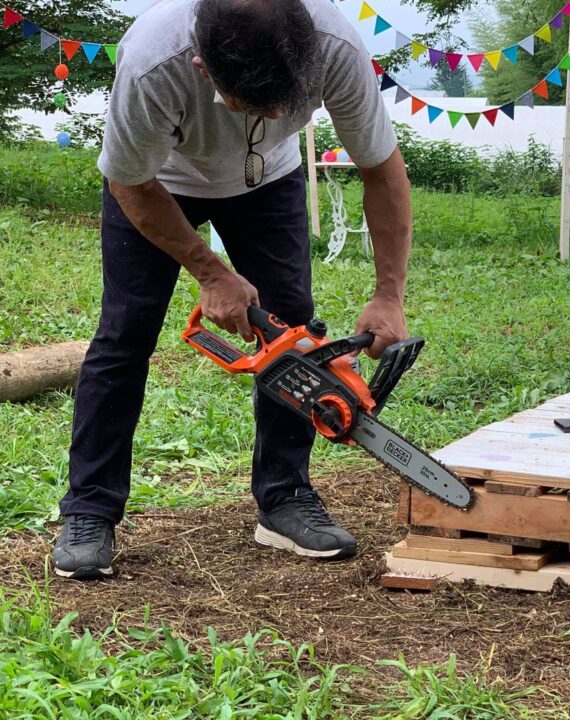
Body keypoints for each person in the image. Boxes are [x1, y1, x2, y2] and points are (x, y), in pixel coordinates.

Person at [52, 0, 411, 579]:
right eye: (255, 104)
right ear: (202, 66)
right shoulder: (153, 61)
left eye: (284, 102)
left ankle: (284, 498)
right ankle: (89, 510)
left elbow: (382, 169)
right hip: (155, 182)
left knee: (294, 330)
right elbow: (130, 181)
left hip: (267, 180)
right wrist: (211, 272)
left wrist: (389, 292)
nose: (273, 113)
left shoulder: (336, 48)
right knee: (124, 334)